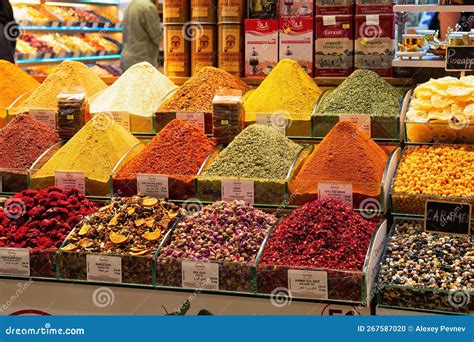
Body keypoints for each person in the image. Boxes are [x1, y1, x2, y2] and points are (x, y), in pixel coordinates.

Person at [120, 0, 162, 71]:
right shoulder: (148, 7)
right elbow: (158, 38)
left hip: (126, 60)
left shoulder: (130, 6)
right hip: (143, 62)